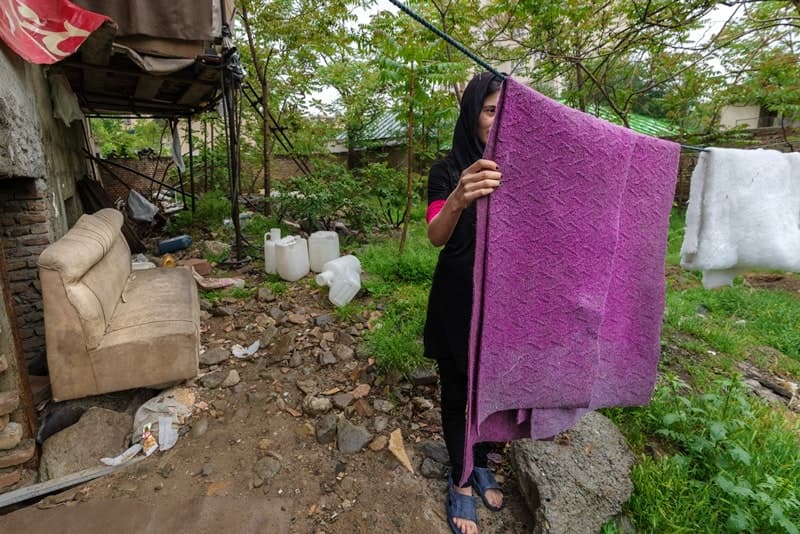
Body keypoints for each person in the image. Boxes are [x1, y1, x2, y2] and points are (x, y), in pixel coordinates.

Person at [424, 72, 504, 534]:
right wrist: (459, 195)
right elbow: (436, 235)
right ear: (472, 114)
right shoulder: (448, 170)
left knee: (494, 389)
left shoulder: (523, 168)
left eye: (504, 111)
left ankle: (482, 459)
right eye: (490, 110)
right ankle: (461, 480)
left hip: (505, 301)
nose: (497, 120)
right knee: (457, 390)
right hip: (458, 296)